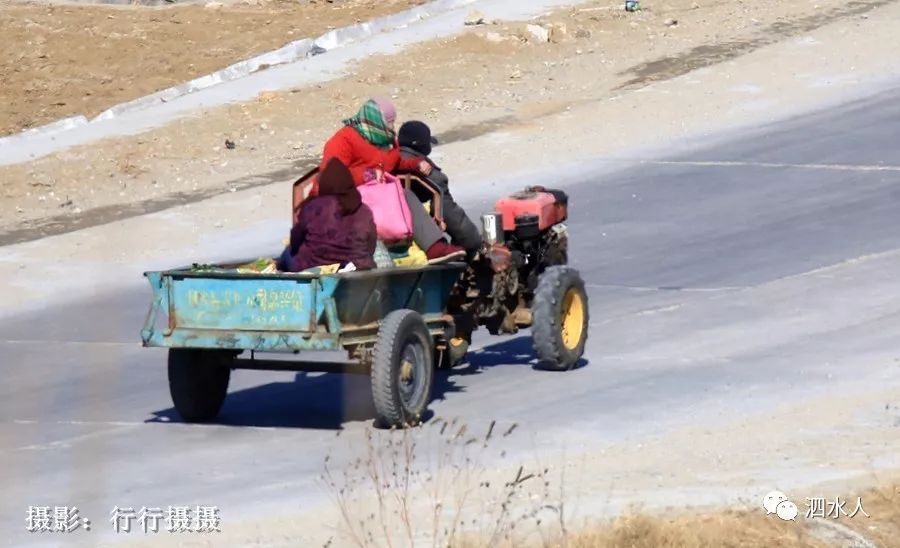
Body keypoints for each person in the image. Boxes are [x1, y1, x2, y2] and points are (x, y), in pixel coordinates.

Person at [315, 98, 464, 263]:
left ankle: (435, 247)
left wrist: (416, 163)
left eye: (393, 122)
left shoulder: (387, 140)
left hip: (377, 193)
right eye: (389, 122)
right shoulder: (343, 140)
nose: (392, 127)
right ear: (375, 120)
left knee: (405, 195)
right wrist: (367, 175)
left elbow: (395, 161)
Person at [398, 120, 483, 255]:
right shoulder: (429, 174)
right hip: (423, 240)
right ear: (422, 145)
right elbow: (451, 215)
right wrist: (473, 242)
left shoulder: (390, 163)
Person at [281, 158, 377, 273]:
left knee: (287, 253)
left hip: (311, 265)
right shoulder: (363, 210)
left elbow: (296, 237)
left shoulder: (314, 206)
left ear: (325, 183)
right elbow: (371, 243)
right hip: (357, 266)